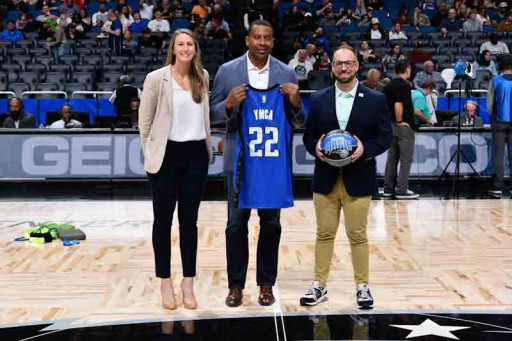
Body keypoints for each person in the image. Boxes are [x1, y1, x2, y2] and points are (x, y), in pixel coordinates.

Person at [210, 19, 304, 308]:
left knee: (271, 224)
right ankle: (235, 286)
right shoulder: (227, 72)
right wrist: (227, 104)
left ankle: (266, 284)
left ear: (273, 42)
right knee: (236, 225)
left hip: (272, 161)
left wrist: (297, 102)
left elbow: (298, 122)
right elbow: (211, 115)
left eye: (267, 38)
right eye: (257, 37)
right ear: (247, 40)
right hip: (240, 160)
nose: (262, 42)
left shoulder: (286, 72)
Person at [300, 45, 392, 309]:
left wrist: (365, 150)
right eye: (339, 63)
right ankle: (319, 286)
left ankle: (362, 288)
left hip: (359, 176)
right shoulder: (318, 99)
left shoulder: (375, 99)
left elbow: (385, 137)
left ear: (357, 66)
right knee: (324, 234)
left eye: (349, 63)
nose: (343, 68)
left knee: (358, 235)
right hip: (326, 178)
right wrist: (314, 147)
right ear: (331, 67)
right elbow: (308, 135)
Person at [139, 29, 211, 310]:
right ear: (173, 48)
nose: (185, 48)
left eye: (189, 44)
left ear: (195, 48)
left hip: (196, 156)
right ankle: (165, 281)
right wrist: (152, 153)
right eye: (180, 44)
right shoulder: (157, 78)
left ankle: (188, 282)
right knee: (162, 222)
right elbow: (145, 124)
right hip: (166, 156)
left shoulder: (202, 77)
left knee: (189, 223)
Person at [383, 60, 419, 200]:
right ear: (407, 69)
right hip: (401, 127)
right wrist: (400, 121)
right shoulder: (404, 85)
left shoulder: (389, 85)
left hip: (390, 126)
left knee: (392, 159)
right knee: (406, 159)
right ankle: (402, 190)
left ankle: (388, 189)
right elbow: (399, 104)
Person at [487, 54, 512, 198]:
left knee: (499, 155)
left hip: (498, 121)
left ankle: (497, 187)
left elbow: (489, 105)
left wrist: (492, 118)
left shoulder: (495, 80)